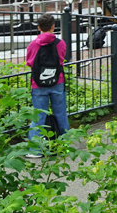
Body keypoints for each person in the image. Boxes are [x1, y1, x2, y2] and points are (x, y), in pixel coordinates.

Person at [25, 13, 69, 158]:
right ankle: (64, 146)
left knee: (39, 116)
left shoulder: (33, 44)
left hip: (38, 84)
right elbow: (62, 59)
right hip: (58, 81)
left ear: (38, 27)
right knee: (61, 114)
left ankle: (36, 150)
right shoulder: (60, 43)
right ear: (53, 27)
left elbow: (29, 62)